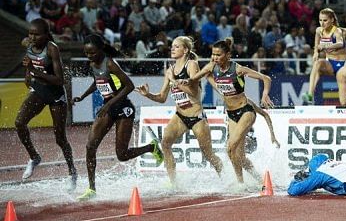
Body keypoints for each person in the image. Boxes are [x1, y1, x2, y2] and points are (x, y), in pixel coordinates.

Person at [73, 34, 163, 201]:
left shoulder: (110, 63)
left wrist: (108, 104)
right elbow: (97, 82)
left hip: (123, 109)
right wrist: (83, 96)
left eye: (92, 53)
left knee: (122, 155)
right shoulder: (93, 64)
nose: (89, 56)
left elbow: (129, 86)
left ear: (100, 50)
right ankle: (91, 188)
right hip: (109, 108)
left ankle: (152, 148)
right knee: (90, 146)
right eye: (86, 53)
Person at [182, 38, 274, 184]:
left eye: (218, 55)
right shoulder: (212, 66)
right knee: (239, 156)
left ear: (228, 55)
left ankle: (240, 183)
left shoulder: (238, 69)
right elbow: (196, 78)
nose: (214, 58)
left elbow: (266, 78)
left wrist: (264, 94)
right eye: (213, 54)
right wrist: (187, 81)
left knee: (230, 147)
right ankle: (260, 180)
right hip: (231, 114)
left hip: (246, 111)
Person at [135, 36, 223, 185]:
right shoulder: (169, 70)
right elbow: (162, 97)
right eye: (172, 46)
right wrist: (148, 95)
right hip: (180, 116)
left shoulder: (192, 65)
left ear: (185, 50)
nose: (172, 48)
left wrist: (174, 80)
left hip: (196, 117)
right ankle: (173, 182)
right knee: (165, 143)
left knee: (208, 153)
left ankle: (226, 176)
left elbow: (194, 92)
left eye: (177, 46)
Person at [16, 19, 77, 191]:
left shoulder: (52, 49)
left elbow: (60, 80)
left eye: (37, 34)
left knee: (60, 138)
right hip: (39, 91)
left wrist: (33, 71)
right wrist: (27, 74)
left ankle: (72, 171)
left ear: (46, 35)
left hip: (56, 95)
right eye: (30, 33)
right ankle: (34, 157)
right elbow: (28, 54)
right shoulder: (28, 42)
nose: (32, 37)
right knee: (19, 122)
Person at [301, 8, 346, 106]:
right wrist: (316, 52)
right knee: (318, 63)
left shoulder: (337, 31)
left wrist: (325, 46)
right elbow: (316, 42)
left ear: (332, 20)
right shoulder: (319, 30)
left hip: (342, 66)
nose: (322, 23)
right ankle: (310, 94)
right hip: (329, 64)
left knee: (343, 102)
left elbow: (340, 43)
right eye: (320, 20)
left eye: (325, 20)